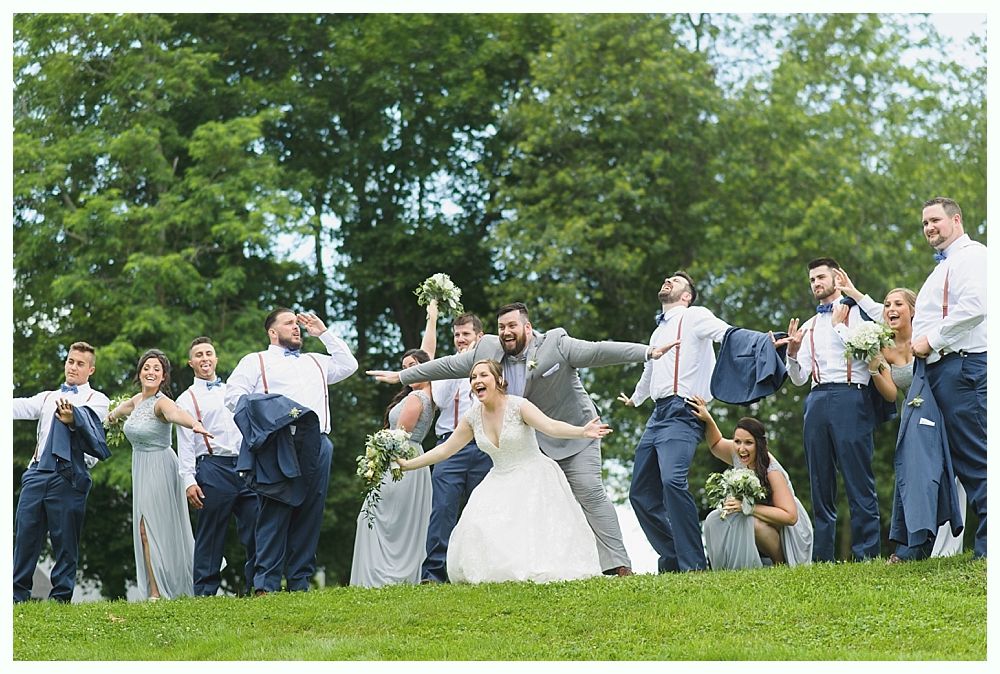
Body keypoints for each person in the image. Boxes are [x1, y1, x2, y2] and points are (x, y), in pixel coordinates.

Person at [368, 302, 678, 577]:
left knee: (588, 491)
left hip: (575, 431)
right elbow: (449, 366)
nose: (506, 332)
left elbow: (597, 351)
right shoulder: (488, 351)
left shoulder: (555, 343)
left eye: (512, 325)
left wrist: (646, 352)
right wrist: (405, 376)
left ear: (527, 327)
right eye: (502, 327)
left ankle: (618, 564)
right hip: (530, 443)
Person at [397, 359, 611, 583]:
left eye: (483, 376)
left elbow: (550, 426)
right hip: (498, 478)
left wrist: (582, 431)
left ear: (498, 380)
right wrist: (408, 464)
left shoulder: (518, 406)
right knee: (477, 526)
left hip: (533, 476)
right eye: (473, 378)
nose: (477, 381)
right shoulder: (472, 417)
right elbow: (444, 451)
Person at [620, 271, 773, 573]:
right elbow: (649, 372)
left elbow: (727, 334)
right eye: (666, 279)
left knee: (672, 482)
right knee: (639, 492)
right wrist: (636, 399)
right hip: (657, 414)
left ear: (687, 296)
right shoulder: (656, 333)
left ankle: (693, 565)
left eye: (675, 281)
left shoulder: (695, 316)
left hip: (683, 410)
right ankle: (674, 557)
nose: (667, 281)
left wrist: (765, 342)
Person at [225, 308, 359, 593]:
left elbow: (349, 365)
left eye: (297, 324)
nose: (296, 328)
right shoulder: (255, 361)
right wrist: (269, 414)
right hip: (278, 442)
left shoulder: (317, 361)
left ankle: (299, 582)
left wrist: (323, 333)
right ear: (272, 332)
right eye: (289, 324)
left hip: (318, 443)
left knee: (311, 511)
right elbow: (233, 397)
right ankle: (266, 583)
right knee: (274, 511)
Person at [784, 259, 885, 562]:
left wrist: (840, 327)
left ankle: (866, 552)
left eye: (821, 277)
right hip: (816, 399)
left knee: (858, 475)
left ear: (837, 278)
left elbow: (867, 351)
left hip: (851, 396)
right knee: (820, 478)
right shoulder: (808, 326)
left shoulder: (860, 317)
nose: (815, 283)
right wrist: (791, 354)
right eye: (812, 279)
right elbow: (800, 378)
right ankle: (823, 557)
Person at [910, 196, 986, 559]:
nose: (929, 228)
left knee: (978, 458)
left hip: (963, 366)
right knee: (966, 460)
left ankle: (989, 547)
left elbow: (976, 307)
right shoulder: (944, 266)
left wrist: (931, 339)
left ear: (956, 220)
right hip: (944, 370)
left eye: (935, 220)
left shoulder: (973, 257)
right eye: (925, 223)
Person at [866, 289, 966, 560]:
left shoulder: (928, 335)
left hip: (944, 410)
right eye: (886, 304)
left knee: (957, 474)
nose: (890, 309)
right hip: (914, 419)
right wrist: (874, 366)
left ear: (913, 310)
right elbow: (890, 393)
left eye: (898, 304)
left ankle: (953, 544)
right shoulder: (883, 347)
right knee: (917, 477)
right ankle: (919, 541)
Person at [13, 341, 111, 603]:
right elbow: (16, 406)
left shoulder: (98, 399)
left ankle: (61, 599)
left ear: (90, 370)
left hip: (69, 476)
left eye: (80, 364)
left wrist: (74, 418)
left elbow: (91, 426)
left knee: (65, 541)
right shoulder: (47, 397)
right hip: (36, 474)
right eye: (70, 361)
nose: (73, 367)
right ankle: (16, 596)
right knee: (25, 536)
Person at [108, 349, 209, 600]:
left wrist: (193, 423)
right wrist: (110, 418)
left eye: (157, 369)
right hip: (140, 468)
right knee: (147, 528)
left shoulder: (162, 402)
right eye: (147, 367)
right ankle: (157, 589)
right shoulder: (136, 401)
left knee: (148, 528)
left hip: (161, 467)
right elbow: (118, 412)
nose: (151, 372)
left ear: (163, 376)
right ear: (140, 372)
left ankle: (157, 592)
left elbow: (176, 414)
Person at [688, 396, 813, 569]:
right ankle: (725, 569)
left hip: (790, 531)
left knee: (751, 522)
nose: (741, 448)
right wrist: (708, 419)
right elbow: (716, 444)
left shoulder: (772, 471)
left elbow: (790, 517)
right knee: (713, 519)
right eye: (737, 441)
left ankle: (781, 565)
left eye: (748, 443)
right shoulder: (738, 453)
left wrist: (748, 507)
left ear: (759, 445)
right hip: (760, 517)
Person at [176, 336, 258, 596]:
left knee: (257, 525)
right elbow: (185, 443)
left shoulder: (232, 390)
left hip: (245, 466)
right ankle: (204, 591)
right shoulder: (186, 399)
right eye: (198, 355)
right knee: (211, 533)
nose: (204, 359)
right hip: (212, 467)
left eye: (208, 353)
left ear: (216, 359)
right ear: (191, 363)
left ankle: (259, 585)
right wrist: (189, 480)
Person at [350, 346, 435, 587]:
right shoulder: (424, 394)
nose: (408, 371)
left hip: (401, 459)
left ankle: (384, 575)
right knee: (396, 517)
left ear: (426, 367)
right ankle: (391, 573)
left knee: (383, 515)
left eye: (413, 366)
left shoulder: (417, 398)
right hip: (409, 457)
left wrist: (377, 452)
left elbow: (400, 435)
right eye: (405, 367)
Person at [421, 304, 492, 584]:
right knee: (442, 509)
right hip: (449, 445)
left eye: (465, 334)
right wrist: (459, 368)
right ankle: (434, 574)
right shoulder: (447, 366)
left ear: (480, 336)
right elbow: (438, 399)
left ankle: (479, 570)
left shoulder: (491, 369)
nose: (460, 339)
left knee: (481, 509)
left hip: (483, 445)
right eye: (456, 335)